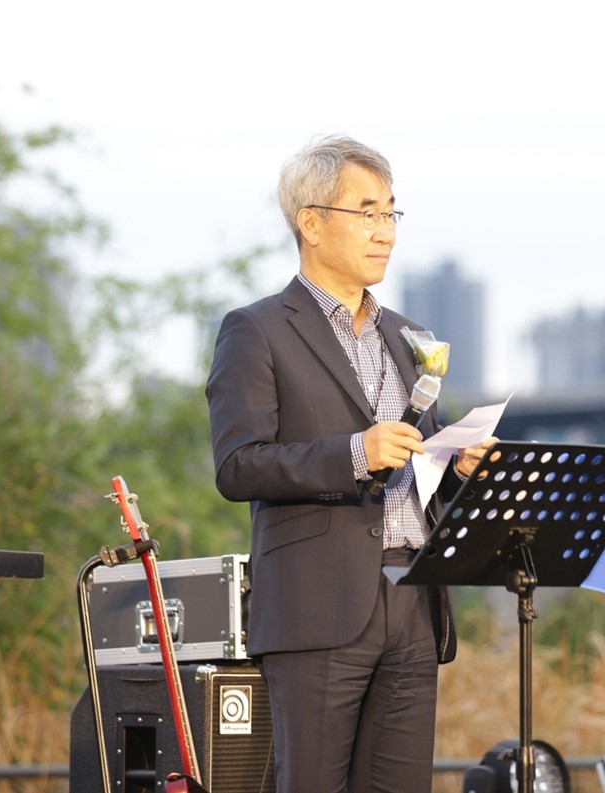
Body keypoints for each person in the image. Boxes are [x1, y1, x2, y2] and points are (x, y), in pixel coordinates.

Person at [206, 134, 491, 793]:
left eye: (392, 212)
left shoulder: (410, 335)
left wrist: (460, 466)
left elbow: (422, 456)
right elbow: (239, 465)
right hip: (316, 604)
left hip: (414, 597)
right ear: (311, 221)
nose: (385, 230)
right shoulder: (256, 330)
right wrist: (354, 454)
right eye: (367, 211)